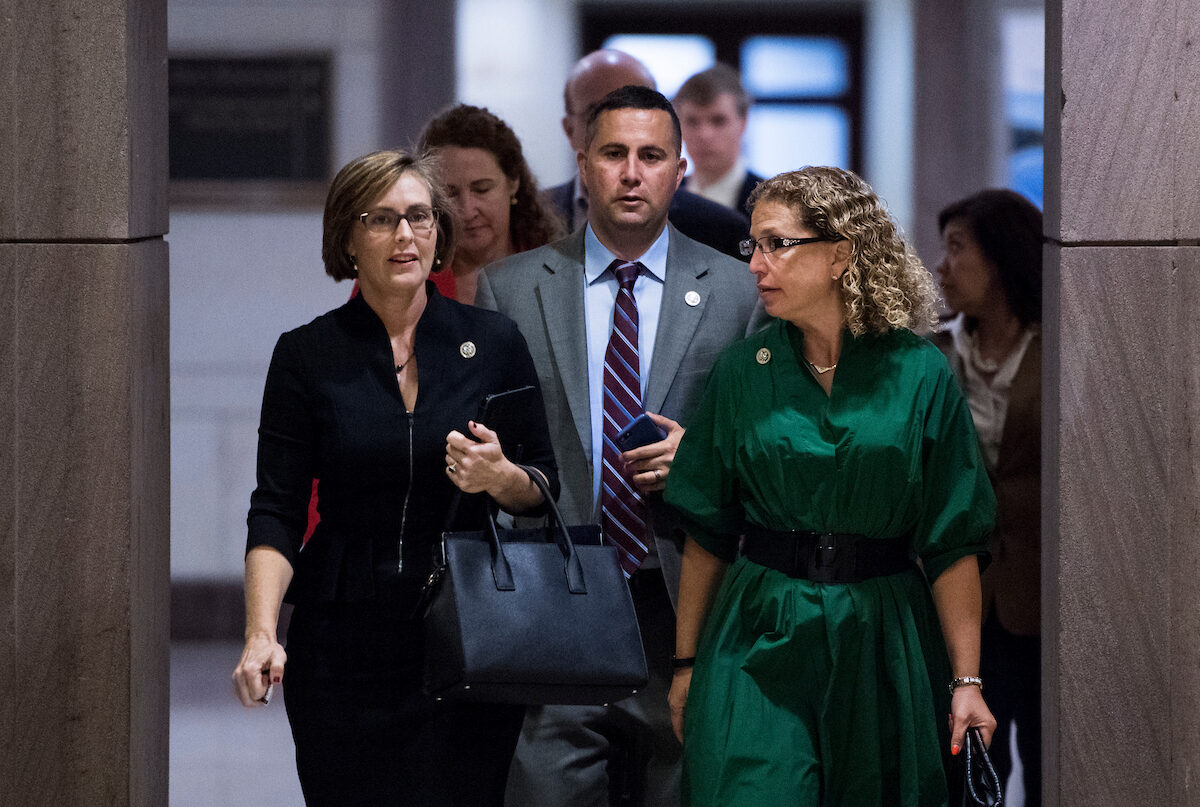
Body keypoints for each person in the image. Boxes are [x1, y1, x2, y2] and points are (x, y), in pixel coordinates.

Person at [231, 149, 560, 806]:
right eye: (381, 219)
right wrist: (260, 632)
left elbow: (542, 486)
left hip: (467, 633)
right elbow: (277, 508)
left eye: (419, 216)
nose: (405, 235)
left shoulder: (494, 342)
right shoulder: (308, 353)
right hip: (342, 641)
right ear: (348, 239)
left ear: (439, 230)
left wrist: (500, 476)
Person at [664, 166, 998, 806]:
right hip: (759, 630)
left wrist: (967, 680)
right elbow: (706, 529)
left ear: (841, 254)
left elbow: (954, 539)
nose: (756, 264)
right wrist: (685, 666)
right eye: (753, 245)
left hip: (882, 633)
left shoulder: (919, 372)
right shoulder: (743, 370)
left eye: (777, 244)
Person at [477, 85, 759, 807]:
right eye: (613, 154)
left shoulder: (740, 293)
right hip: (561, 597)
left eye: (652, 155)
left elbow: (765, 446)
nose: (632, 173)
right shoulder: (512, 288)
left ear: (679, 170)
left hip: (686, 596)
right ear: (583, 164)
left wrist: (701, 460)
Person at [934, 188, 1043, 805]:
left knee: (1053, 760)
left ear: (1000, 257)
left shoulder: (1057, 346)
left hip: (1046, 593)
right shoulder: (935, 354)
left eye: (957, 248)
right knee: (973, 768)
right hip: (964, 593)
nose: (941, 266)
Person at [543, 49, 752, 260]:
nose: (616, 127)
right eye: (595, 113)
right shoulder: (531, 214)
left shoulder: (721, 225)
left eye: (634, 110)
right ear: (569, 129)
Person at [418, 103, 564, 304]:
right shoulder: (410, 275)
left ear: (513, 183)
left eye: (482, 189)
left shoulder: (558, 271)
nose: (468, 211)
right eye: (450, 193)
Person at [674, 63, 765, 218]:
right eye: (692, 121)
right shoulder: (666, 198)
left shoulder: (773, 201)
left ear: (743, 123)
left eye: (718, 121)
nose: (704, 135)